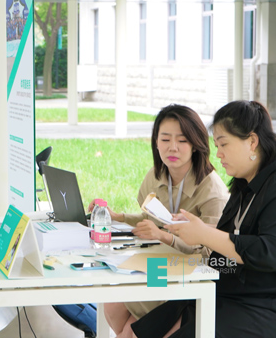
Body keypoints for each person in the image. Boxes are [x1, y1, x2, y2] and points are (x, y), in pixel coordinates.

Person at [132, 100, 276, 338]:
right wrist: (196, 232)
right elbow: (231, 238)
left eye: (223, 144)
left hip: (271, 304)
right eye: (216, 145)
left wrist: (203, 234)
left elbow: (271, 253)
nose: (218, 154)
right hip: (228, 289)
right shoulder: (244, 182)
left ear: (252, 141)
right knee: (144, 328)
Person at [95, 104, 228, 338]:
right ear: (156, 142)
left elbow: (212, 253)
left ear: (196, 144)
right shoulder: (156, 175)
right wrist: (119, 218)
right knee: (113, 305)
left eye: (182, 140)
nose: (172, 147)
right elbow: (151, 220)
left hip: (189, 275)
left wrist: (165, 237)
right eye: (165, 139)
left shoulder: (212, 190)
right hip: (160, 265)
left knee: (131, 331)